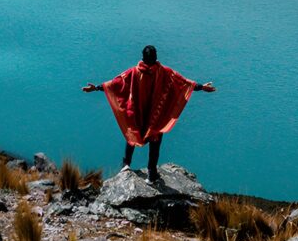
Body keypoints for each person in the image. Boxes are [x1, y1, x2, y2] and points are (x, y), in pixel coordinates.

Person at [83, 45, 215, 182]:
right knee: (155, 143)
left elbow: (116, 83)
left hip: (136, 113)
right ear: (156, 57)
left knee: (131, 134)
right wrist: (201, 87)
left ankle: (126, 165)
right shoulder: (164, 72)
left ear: (143, 58)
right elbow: (183, 82)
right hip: (155, 116)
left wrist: (96, 88)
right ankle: (151, 174)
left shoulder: (134, 72)